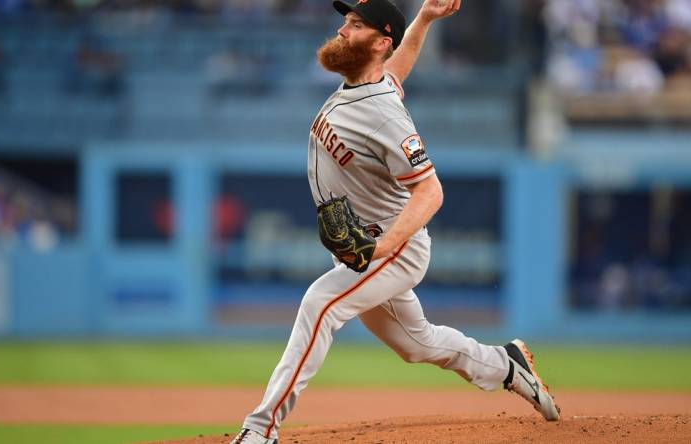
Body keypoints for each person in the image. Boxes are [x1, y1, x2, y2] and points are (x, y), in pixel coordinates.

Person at [233, 1, 560, 443]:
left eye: (354, 25)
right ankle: (506, 364)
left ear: (379, 42)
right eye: (345, 21)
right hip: (373, 248)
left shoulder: (386, 114)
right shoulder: (368, 85)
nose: (342, 30)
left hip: (390, 247)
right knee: (416, 343)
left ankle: (260, 431)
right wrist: (424, 19)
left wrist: (384, 248)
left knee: (320, 305)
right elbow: (395, 72)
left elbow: (431, 191)